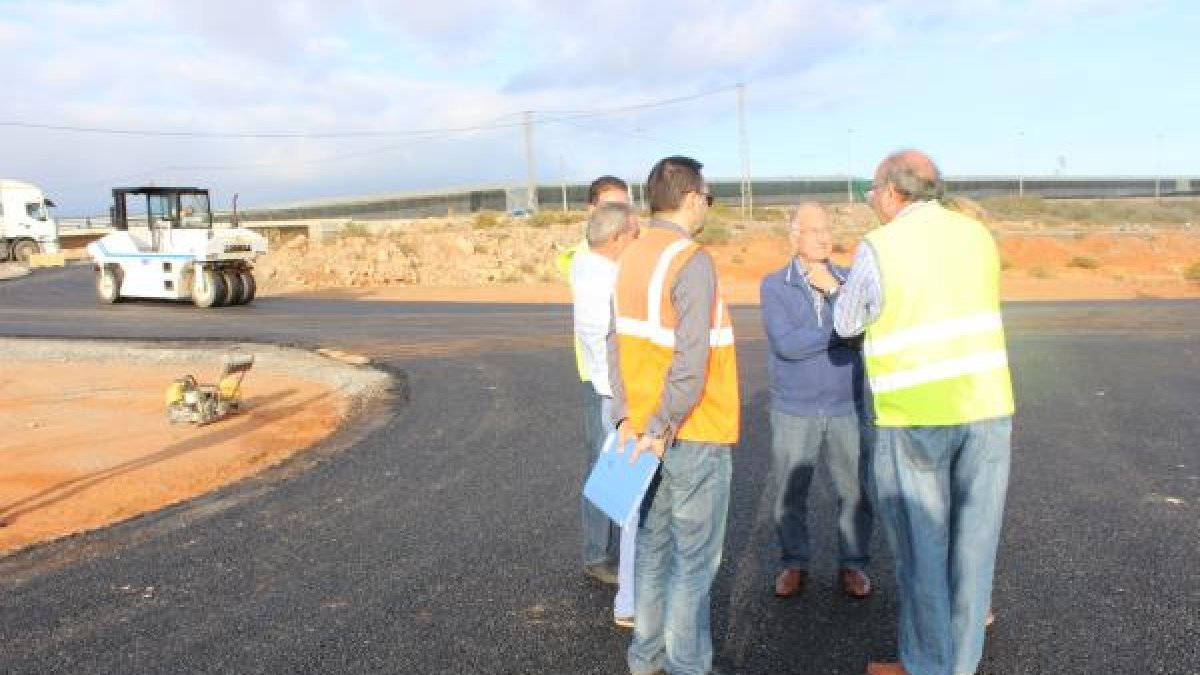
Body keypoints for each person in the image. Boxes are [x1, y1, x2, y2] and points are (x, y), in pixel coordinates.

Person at [834, 150, 1015, 675]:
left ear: (893, 192)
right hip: (986, 411)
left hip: (914, 419)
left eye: (872, 191)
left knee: (922, 558)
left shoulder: (881, 246)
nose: (871, 200)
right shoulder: (977, 235)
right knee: (973, 556)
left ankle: (927, 666)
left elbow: (848, 322)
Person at [608, 155, 739, 675]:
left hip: (643, 432)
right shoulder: (691, 259)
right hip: (691, 430)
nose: (706, 206)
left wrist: (626, 419)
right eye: (707, 197)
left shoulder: (632, 256)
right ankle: (688, 666)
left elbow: (614, 344)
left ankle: (645, 658)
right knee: (694, 562)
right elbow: (691, 360)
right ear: (690, 198)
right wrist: (664, 426)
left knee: (653, 548)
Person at [760, 201, 874, 600]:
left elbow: (863, 332)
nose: (824, 236)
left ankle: (854, 564)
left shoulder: (848, 280)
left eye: (827, 228)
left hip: (847, 405)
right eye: (813, 230)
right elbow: (786, 345)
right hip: (795, 408)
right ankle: (794, 562)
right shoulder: (774, 284)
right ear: (794, 237)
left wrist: (836, 295)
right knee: (791, 492)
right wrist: (839, 334)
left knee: (855, 492)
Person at [572, 201, 641, 627]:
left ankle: (630, 593)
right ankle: (631, 603)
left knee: (622, 493)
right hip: (623, 403)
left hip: (608, 399)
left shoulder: (585, 265)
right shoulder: (609, 279)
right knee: (633, 504)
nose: (639, 241)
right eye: (634, 234)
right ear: (617, 239)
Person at [563, 176, 632, 587]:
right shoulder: (586, 260)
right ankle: (597, 554)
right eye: (611, 206)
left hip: (613, 378)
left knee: (620, 465)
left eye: (625, 205)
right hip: (600, 379)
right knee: (604, 466)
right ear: (593, 211)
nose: (621, 213)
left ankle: (621, 551)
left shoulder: (614, 255)